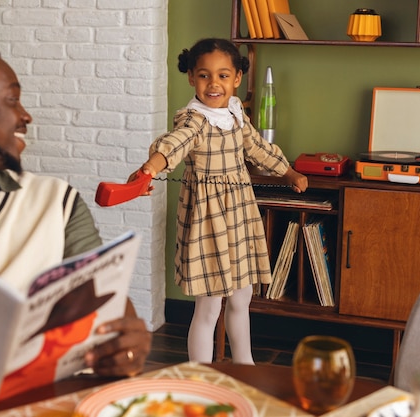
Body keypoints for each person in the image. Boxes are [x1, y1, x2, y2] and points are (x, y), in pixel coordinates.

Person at [0, 28, 152, 416]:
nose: (25, 116)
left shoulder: (55, 202)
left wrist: (127, 346)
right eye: (12, 99)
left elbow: (112, 312)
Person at [129, 38, 308, 365]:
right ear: (191, 78)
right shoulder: (194, 120)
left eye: (223, 76)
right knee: (209, 306)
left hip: (239, 215)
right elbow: (174, 145)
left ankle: (245, 366)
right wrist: (150, 169)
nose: (214, 84)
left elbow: (257, 148)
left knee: (242, 298)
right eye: (204, 76)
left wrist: (289, 172)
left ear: (237, 78)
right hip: (207, 221)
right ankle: (201, 374)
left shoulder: (236, 114)